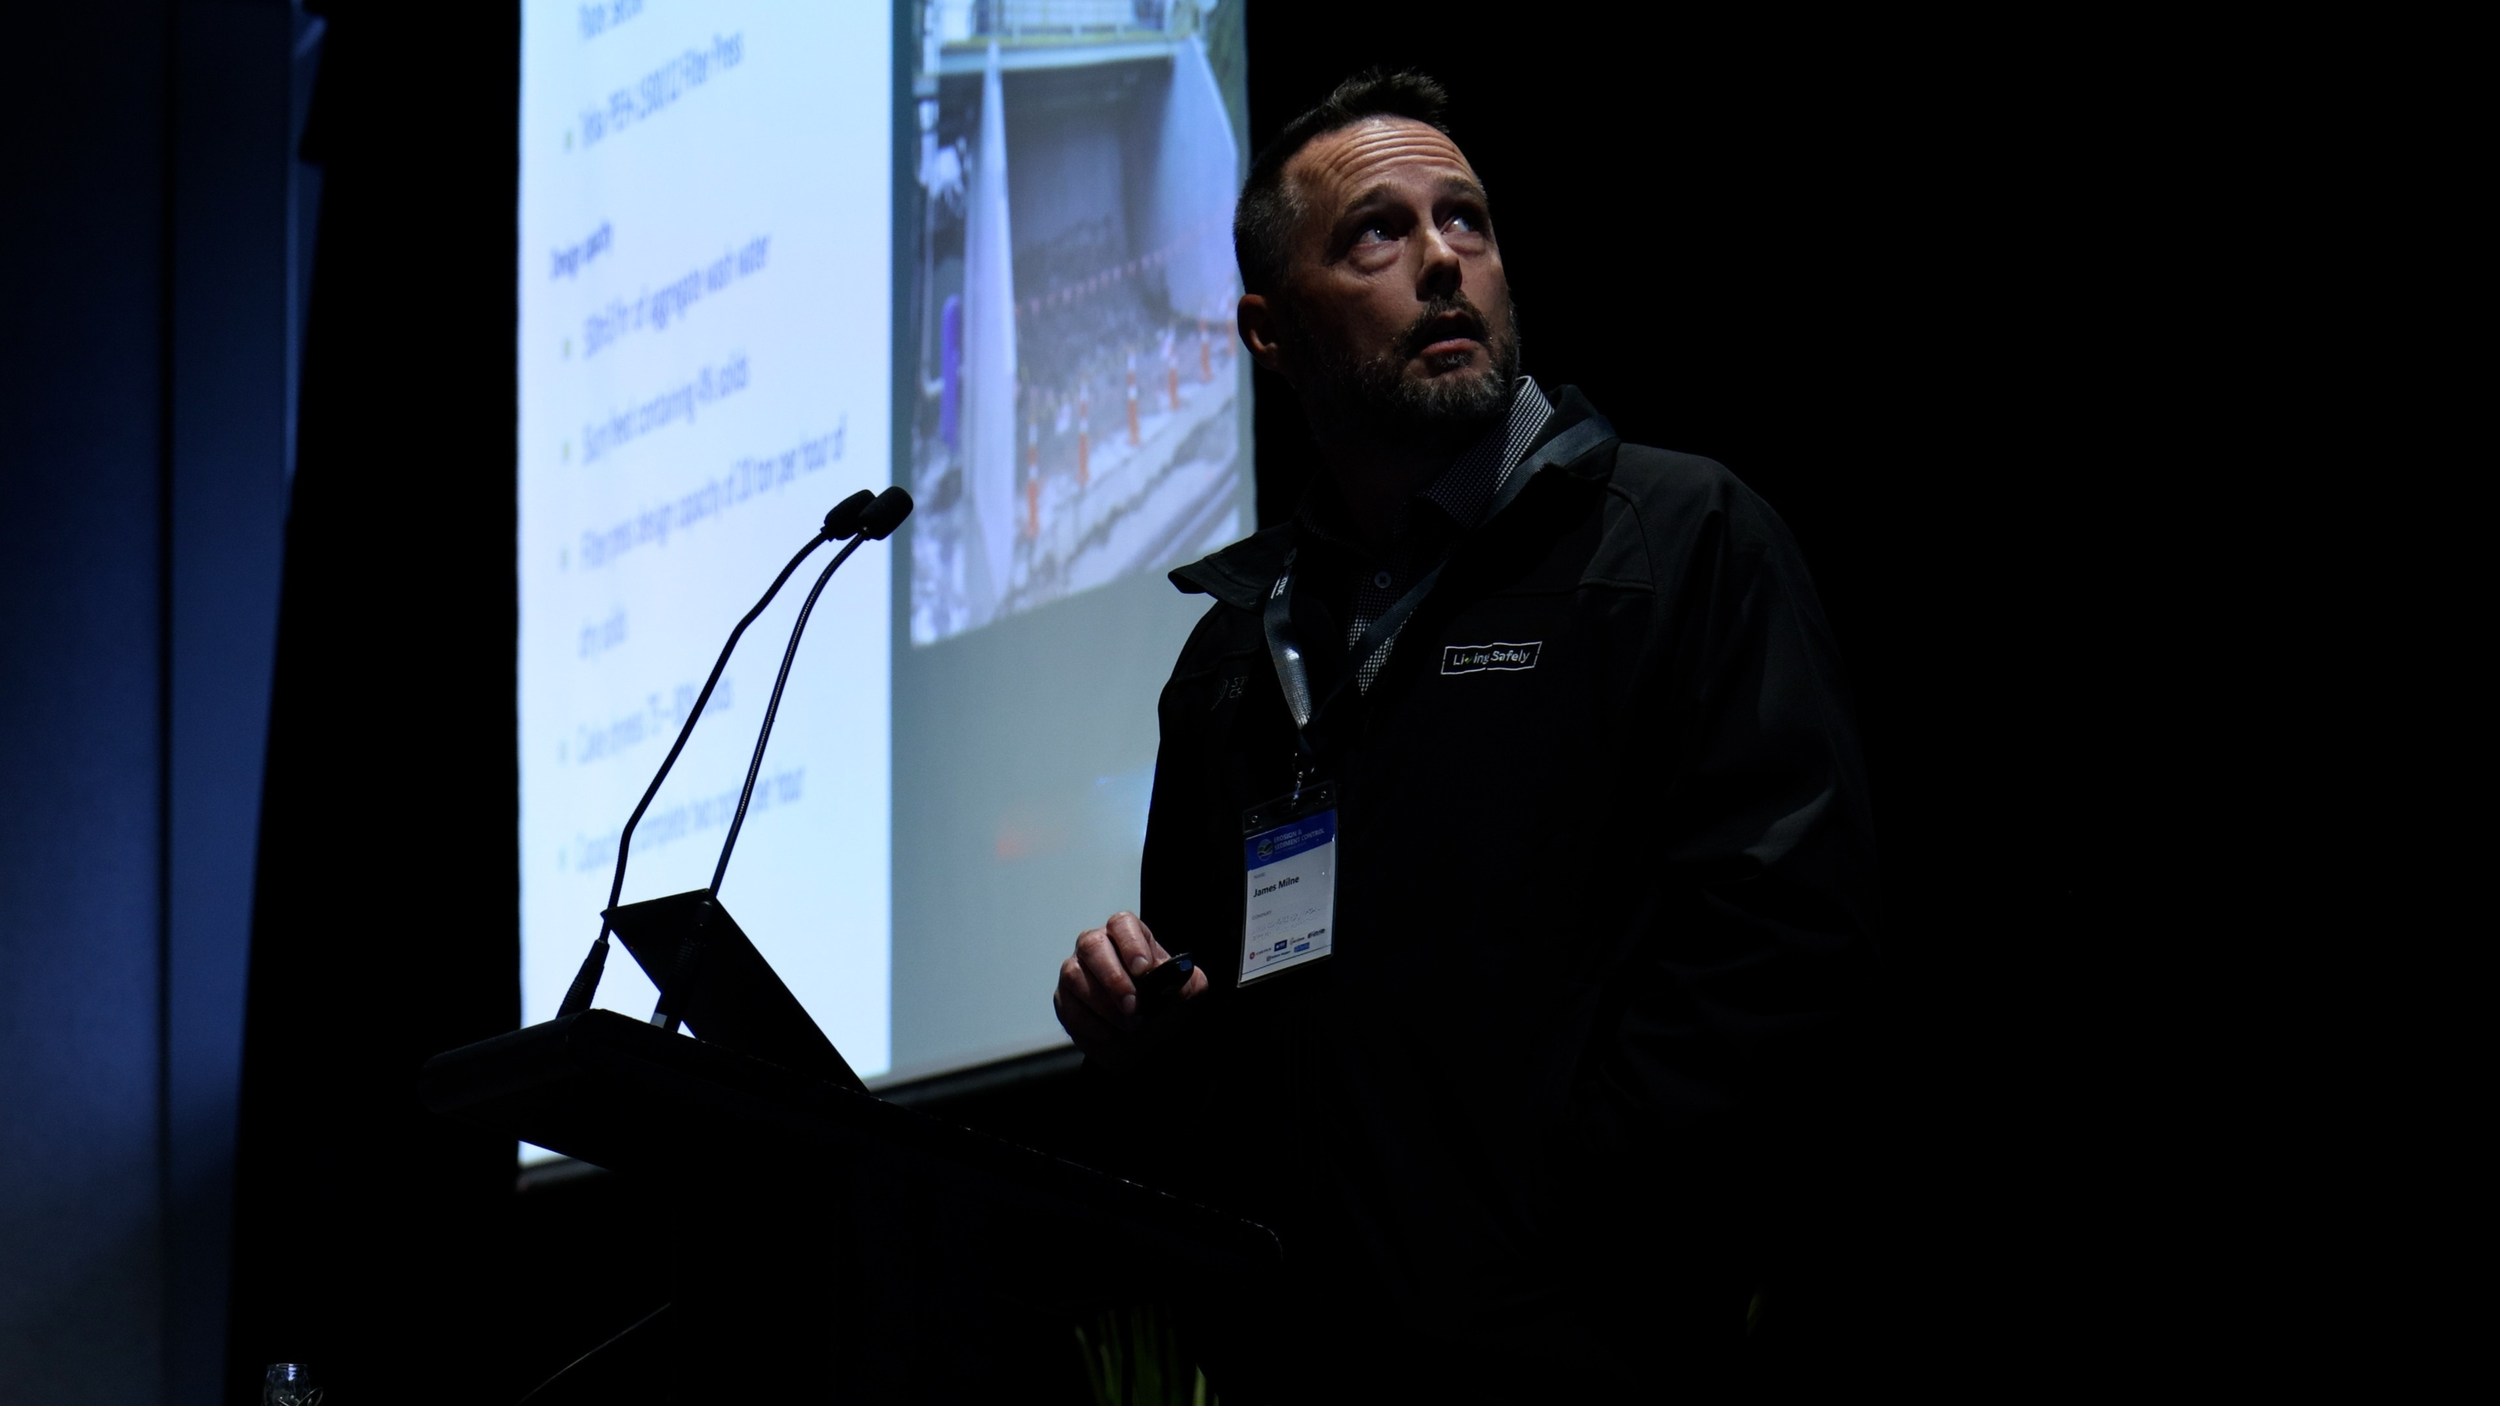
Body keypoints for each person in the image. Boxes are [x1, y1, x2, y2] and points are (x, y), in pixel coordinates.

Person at [1052, 70, 1880, 1401]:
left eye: (1467, 221)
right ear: (1267, 331)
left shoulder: (1676, 542)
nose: (1442, 260)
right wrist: (1152, 1035)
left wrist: (1566, 1251)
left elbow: (1782, 942)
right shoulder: (1234, 662)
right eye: (1376, 232)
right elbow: (1241, 1047)